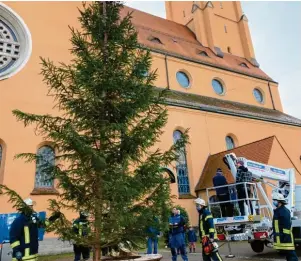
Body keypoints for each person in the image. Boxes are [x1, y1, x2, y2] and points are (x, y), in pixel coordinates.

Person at [272, 193, 298, 261]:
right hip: (281, 237)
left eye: (275, 200)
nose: (273, 202)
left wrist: (285, 237)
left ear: (279, 201)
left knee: (291, 254)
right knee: (288, 255)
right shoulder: (278, 211)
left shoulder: (284, 211)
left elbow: (287, 225)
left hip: (285, 237)